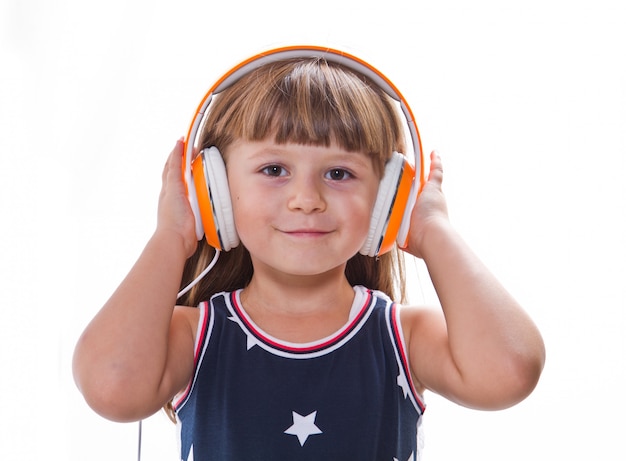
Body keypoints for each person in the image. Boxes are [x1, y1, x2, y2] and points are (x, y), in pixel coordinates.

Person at [73, 47, 545, 461]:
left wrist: (433, 230)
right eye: (274, 168)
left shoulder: (404, 336)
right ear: (211, 190)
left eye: (339, 174)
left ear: (388, 203)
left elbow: (510, 370)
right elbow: (111, 387)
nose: (307, 199)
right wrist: (171, 237)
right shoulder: (193, 333)